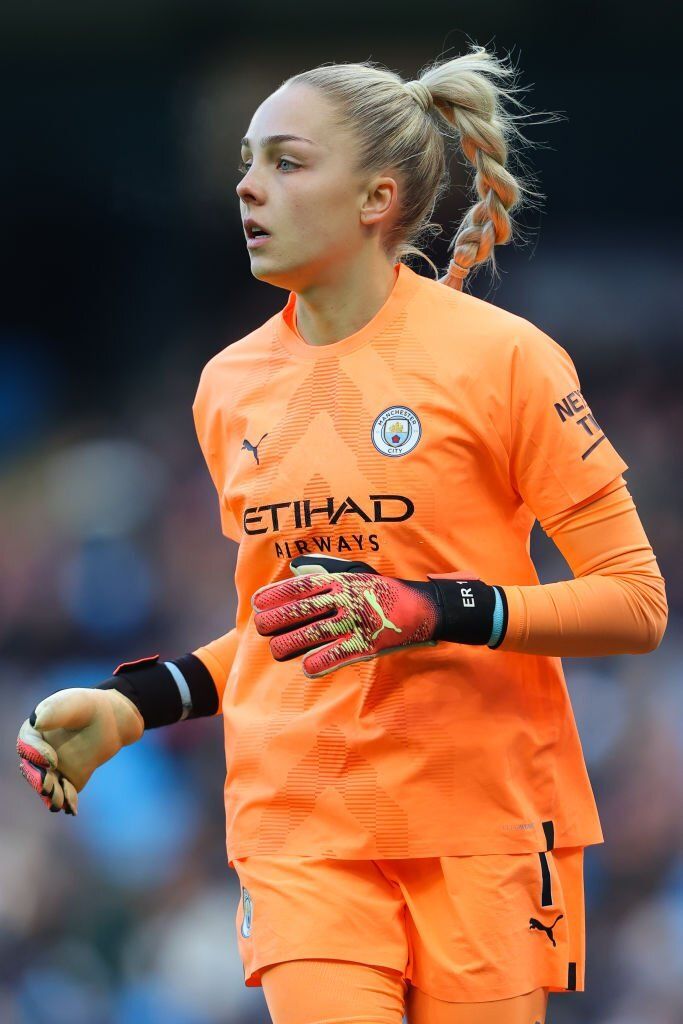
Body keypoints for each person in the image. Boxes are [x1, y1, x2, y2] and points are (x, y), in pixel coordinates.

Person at [17, 45, 668, 1024]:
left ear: (376, 198)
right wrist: (135, 703)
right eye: (244, 161)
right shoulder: (227, 388)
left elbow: (633, 603)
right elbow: (281, 631)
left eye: (285, 161)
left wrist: (433, 610)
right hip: (302, 830)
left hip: (482, 827)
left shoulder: (503, 361)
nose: (247, 185)